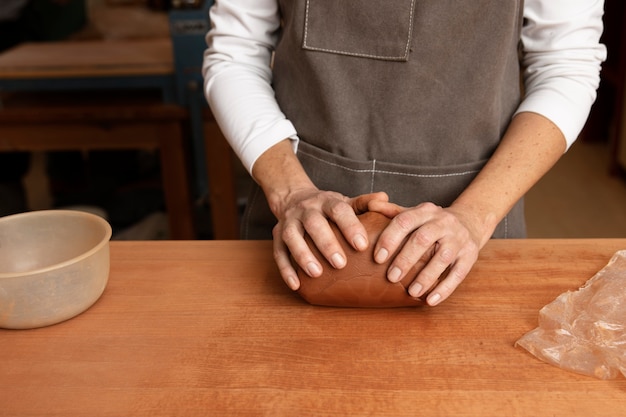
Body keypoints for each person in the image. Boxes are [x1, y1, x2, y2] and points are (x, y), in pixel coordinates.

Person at [203, 0, 606, 306]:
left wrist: (472, 217)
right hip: (296, 225)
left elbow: (565, 65)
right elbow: (235, 53)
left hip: (475, 231)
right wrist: (290, 193)